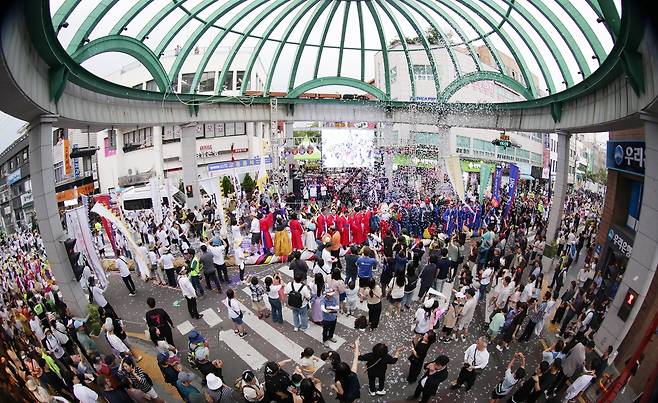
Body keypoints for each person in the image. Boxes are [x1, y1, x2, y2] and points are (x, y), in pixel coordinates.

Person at [332, 338, 361, 403]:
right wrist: (356, 345)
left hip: (346, 397)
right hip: (354, 392)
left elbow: (341, 393)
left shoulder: (338, 382)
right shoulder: (353, 373)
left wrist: (334, 387)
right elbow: (356, 357)